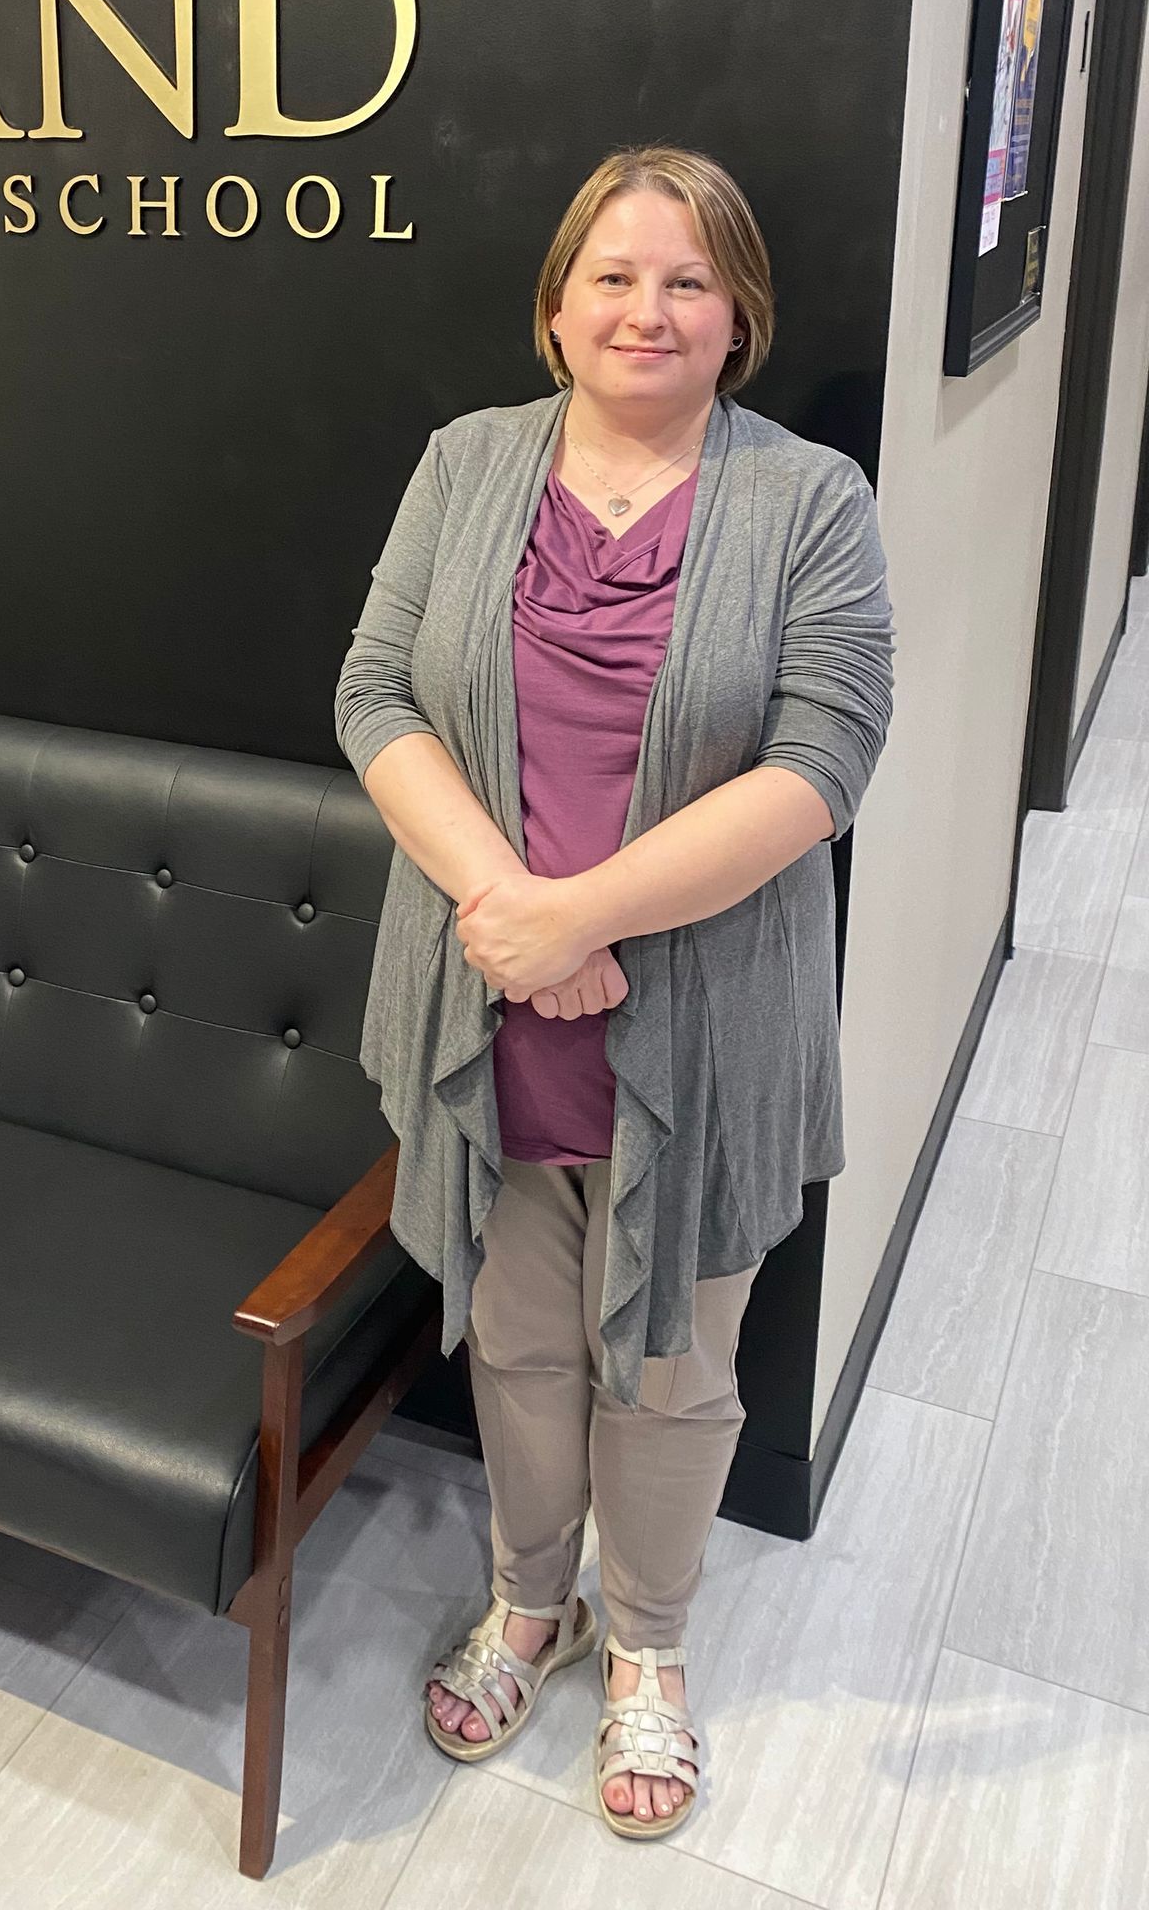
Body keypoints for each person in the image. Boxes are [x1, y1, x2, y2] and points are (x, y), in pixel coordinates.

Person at [332, 146, 894, 1839]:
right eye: (613, 276)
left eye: (689, 280)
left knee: (672, 1360)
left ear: (741, 319)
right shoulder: (468, 461)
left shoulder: (810, 500)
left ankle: (645, 1647)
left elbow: (826, 758)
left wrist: (584, 919)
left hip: (703, 1024)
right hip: (481, 1002)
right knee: (513, 1338)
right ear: (558, 305)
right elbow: (373, 692)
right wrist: (509, 917)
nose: (647, 310)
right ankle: (528, 1600)